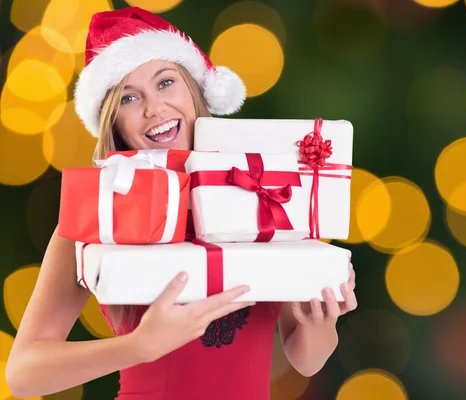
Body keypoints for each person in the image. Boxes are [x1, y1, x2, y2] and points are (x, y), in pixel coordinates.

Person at [5, 7, 357, 400]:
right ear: (114, 123)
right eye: (129, 98)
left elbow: (306, 360)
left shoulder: (262, 189)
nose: (154, 109)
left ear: (195, 89)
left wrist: (322, 319)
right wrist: (138, 347)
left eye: (166, 82)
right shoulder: (100, 212)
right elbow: (23, 375)